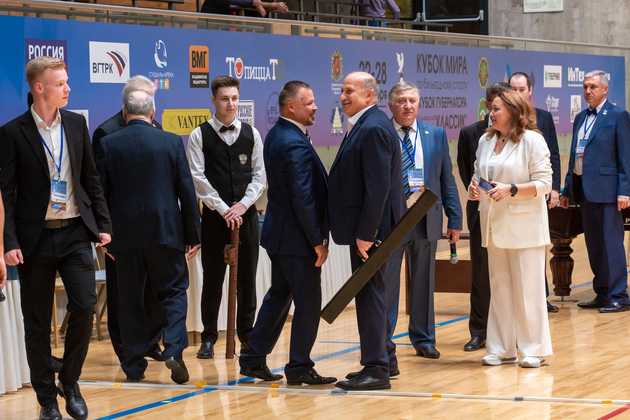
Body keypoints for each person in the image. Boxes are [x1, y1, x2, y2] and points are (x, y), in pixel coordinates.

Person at [0, 56, 112, 420]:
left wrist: (103, 224)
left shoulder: (77, 123)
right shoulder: (12, 132)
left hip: (76, 232)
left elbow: (90, 178)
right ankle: (47, 401)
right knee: (36, 324)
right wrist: (9, 242)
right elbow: (6, 194)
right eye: (60, 83)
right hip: (33, 240)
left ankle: (70, 380)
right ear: (39, 88)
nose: (67, 88)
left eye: (66, 81)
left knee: (85, 305)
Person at [95, 89, 200, 383]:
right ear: (153, 113)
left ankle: (133, 365)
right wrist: (193, 234)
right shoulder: (171, 141)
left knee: (129, 299)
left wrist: (104, 235)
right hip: (166, 232)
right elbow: (186, 191)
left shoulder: (108, 143)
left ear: (124, 113)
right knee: (174, 292)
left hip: (124, 236)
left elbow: (101, 195)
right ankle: (174, 350)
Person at [239, 81, 336, 385]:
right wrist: (318, 240)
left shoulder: (279, 133)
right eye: (309, 102)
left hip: (280, 236)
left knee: (279, 296)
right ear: (291, 106)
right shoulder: (293, 141)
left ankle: (253, 359)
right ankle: (299, 367)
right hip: (297, 240)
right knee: (308, 302)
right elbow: (302, 197)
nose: (315, 107)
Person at [329, 72, 404, 390]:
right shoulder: (367, 123)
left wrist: (367, 232)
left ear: (370, 96)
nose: (343, 96)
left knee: (370, 296)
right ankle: (386, 358)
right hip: (372, 229)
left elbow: (378, 187)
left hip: (373, 232)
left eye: (350, 91)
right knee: (372, 294)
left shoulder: (372, 127)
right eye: (342, 90)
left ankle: (376, 369)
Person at [468, 90, 553, 368]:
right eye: (490, 109)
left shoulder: (532, 140)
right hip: (493, 225)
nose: (490, 113)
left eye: (496, 109)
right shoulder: (485, 140)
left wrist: (512, 189)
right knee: (500, 289)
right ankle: (501, 349)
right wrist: (474, 188)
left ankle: (533, 350)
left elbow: (544, 184)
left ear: (514, 111)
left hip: (525, 228)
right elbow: (479, 175)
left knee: (528, 291)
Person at [186, 75, 266, 359]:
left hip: (246, 218)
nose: (230, 104)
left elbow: (259, 177)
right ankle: (208, 337)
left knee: (247, 280)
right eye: (224, 99)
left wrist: (242, 205)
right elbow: (198, 178)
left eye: (234, 98)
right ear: (213, 100)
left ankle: (246, 336)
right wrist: (223, 209)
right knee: (212, 278)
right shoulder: (199, 135)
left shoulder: (252, 134)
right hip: (214, 220)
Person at [383, 81, 462, 360]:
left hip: (425, 217)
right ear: (390, 105)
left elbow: (446, 179)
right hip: (392, 220)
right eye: (401, 101)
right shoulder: (381, 133)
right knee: (387, 284)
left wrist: (455, 218)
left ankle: (424, 338)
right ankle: (383, 343)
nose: (407, 106)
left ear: (419, 104)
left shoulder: (435, 134)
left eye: (412, 101)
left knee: (423, 282)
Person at [92, 75, 165, 364]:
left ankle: (152, 343)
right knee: (122, 292)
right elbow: (100, 187)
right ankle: (124, 347)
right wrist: (105, 230)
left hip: (154, 228)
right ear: (127, 102)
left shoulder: (156, 127)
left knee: (154, 290)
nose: (147, 105)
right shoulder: (106, 132)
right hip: (120, 230)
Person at [560, 70, 630, 313]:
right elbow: (575, 155)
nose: (588, 91)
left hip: (609, 192)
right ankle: (602, 293)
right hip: (584, 191)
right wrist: (567, 188)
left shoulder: (618, 115)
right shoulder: (580, 117)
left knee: (612, 244)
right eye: (585, 86)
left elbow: (626, 156)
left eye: (593, 87)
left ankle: (619, 296)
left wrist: (624, 191)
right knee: (594, 245)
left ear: (605, 89)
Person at [457, 82, 512, 352]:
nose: (494, 109)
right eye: (492, 103)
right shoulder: (471, 133)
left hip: (511, 214)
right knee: (480, 274)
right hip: (481, 212)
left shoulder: (521, 135)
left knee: (509, 275)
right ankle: (478, 332)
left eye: (501, 102)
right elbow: (468, 172)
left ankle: (511, 333)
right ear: (487, 103)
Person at [509, 71, 561, 313]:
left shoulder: (544, 117)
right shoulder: (502, 118)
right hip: (509, 193)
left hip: (537, 192)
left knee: (537, 246)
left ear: (530, 90)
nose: (517, 93)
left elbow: (554, 155)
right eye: (513, 89)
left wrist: (555, 188)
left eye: (521, 89)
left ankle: (541, 297)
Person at [200, 0, 288, 17]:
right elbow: (235, 1)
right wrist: (273, 5)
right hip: (208, 23)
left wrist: (259, 4)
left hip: (223, 24)